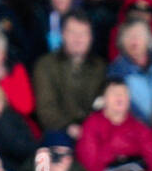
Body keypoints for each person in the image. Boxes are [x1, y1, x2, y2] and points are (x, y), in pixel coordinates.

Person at [31, 9, 104, 139]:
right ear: (63, 34)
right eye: (72, 32)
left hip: (94, 130)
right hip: (59, 130)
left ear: (90, 37)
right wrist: (69, 127)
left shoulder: (100, 66)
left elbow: (103, 102)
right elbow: (46, 109)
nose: (78, 39)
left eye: (83, 33)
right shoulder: (45, 65)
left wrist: (91, 127)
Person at [76, 78, 151, 171]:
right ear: (103, 99)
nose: (119, 97)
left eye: (124, 93)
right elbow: (89, 164)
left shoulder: (139, 126)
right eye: (114, 93)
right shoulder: (92, 124)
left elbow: (151, 160)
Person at [106, 17, 152, 125]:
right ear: (121, 42)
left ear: (149, 39)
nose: (134, 40)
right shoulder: (115, 72)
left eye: (139, 34)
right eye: (128, 35)